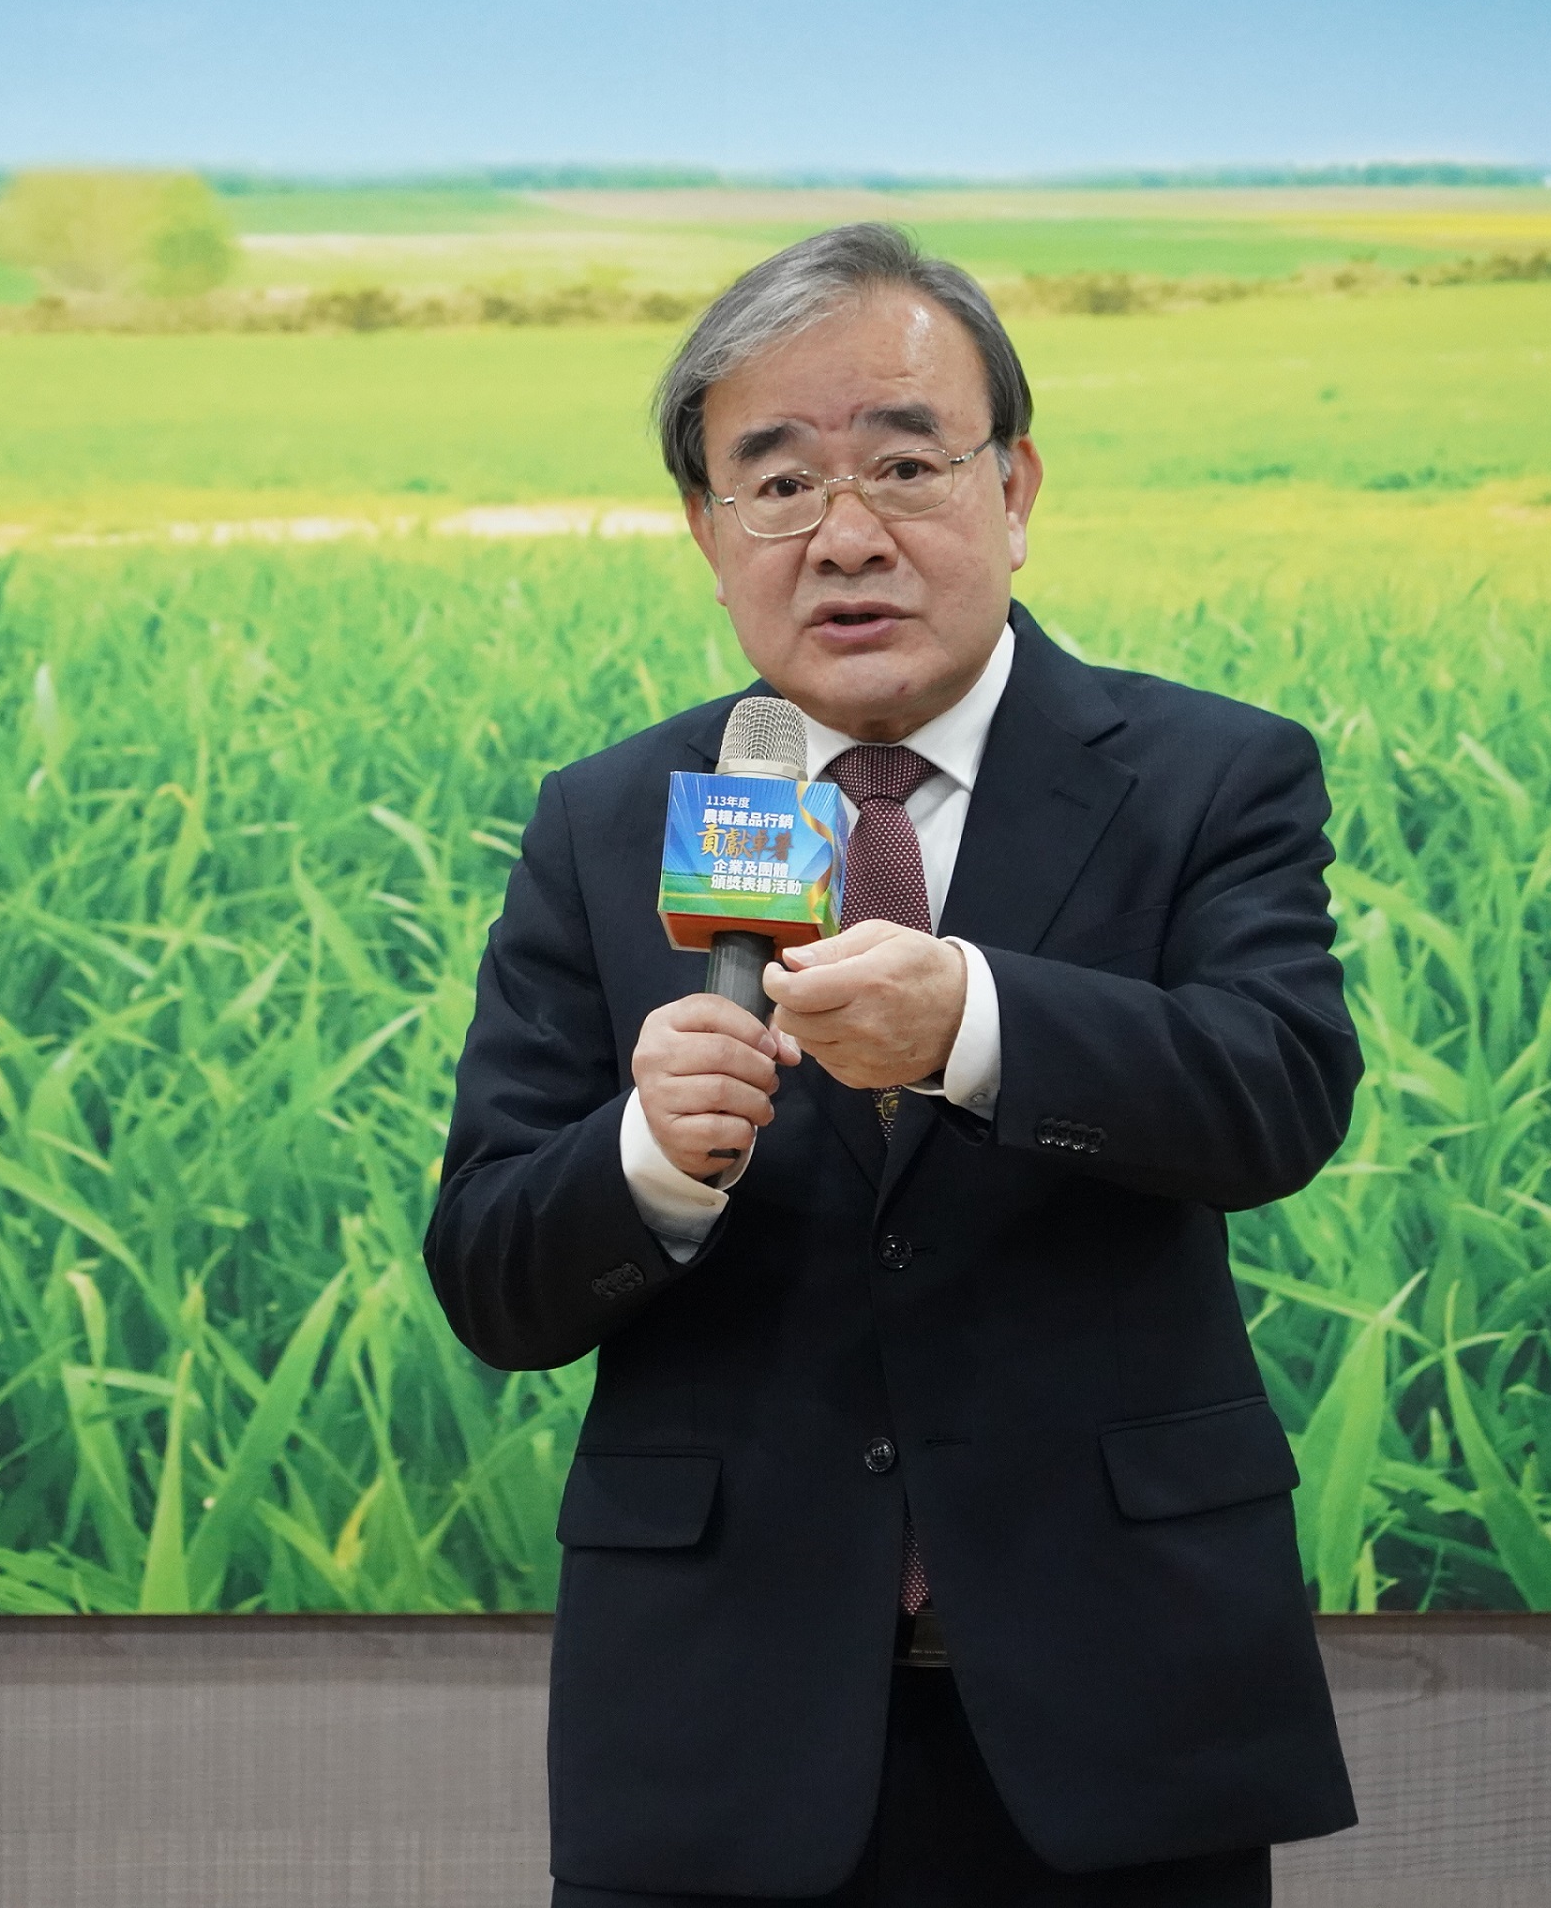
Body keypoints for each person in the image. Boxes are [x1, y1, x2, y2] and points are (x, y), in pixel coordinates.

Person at [422, 223, 1361, 1907]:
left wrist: (976, 1023)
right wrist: (647, 1157)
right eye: (778, 483)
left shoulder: (1207, 775)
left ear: (1015, 488)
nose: (844, 534)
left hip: (1118, 1708)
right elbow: (492, 1275)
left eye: (906, 465)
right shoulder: (608, 819)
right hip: (719, 1727)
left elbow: (1277, 1085)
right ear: (709, 532)